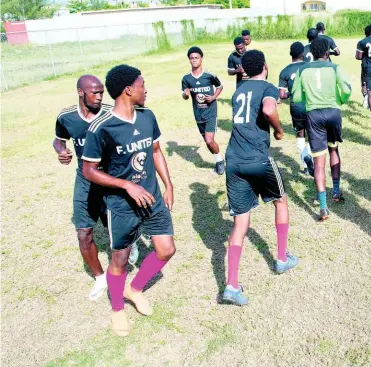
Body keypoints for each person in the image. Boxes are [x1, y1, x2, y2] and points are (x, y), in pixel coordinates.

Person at [82, 64, 176, 337]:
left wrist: (168, 185)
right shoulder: (102, 127)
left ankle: (134, 289)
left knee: (166, 250)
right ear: (128, 89)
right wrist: (126, 185)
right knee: (120, 260)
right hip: (121, 205)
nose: (145, 90)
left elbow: (156, 151)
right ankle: (117, 310)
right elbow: (89, 170)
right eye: (142, 85)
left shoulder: (147, 117)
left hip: (153, 197)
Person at [222, 50, 298, 306]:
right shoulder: (267, 87)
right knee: (281, 201)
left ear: (243, 69)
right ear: (265, 66)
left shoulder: (238, 90)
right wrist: (278, 129)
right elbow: (267, 108)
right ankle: (281, 258)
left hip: (233, 160)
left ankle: (232, 285)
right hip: (257, 159)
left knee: (240, 223)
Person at [53, 75, 112, 301]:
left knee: (115, 227)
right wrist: (61, 150)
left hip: (110, 178)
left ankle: (130, 245)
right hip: (85, 180)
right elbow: (58, 139)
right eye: (94, 93)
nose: (99, 97)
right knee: (84, 233)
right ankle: (100, 277)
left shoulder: (110, 113)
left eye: (101, 93)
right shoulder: (66, 116)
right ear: (80, 92)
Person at [292, 38, 352, 221]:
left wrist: (308, 99)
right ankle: (335, 191)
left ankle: (324, 206)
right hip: (333, 113)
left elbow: (295, 97)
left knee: (318, 160)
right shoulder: (335, 68)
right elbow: (347, 90)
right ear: (327, 52)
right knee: (334, 149)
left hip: (314, 115)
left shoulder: (302, 69)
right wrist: (340, 101)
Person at [181, 46, 225, 175]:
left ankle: (220, 162)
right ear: (189, 60)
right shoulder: (186, 79)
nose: (194, 60)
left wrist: (213, 97)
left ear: (201, 59)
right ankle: (218, 159)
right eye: (191, 58)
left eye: (196, 58)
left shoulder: (209, 75)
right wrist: (186, 94)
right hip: (198, 113)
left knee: (209, 140)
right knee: (207, 141)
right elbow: (184, 96)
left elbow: (220, 86)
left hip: (211, 112)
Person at [279, 42, 314, 176]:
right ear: (303, 54)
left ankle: (305, 166)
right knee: (312, 133)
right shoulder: (309, 67)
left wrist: (291, 93)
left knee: (300, 133)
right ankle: (310, 156)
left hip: (296, 106)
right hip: (310, 104)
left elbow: (282, 95)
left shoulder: (285, 71)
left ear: (290, 54)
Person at [359, 25, 371, 110]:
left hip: (365, 64)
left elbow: (359, 56)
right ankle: (370, 98)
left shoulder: (362, 42)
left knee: (364, 82)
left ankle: (366, 97)